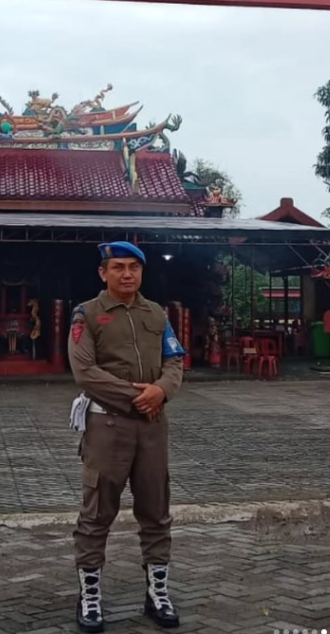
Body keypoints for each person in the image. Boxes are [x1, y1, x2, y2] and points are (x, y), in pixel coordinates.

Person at [68, 242, 185, 633]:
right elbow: (85, 372)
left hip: (152, 427)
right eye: (117, 267)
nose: (127, 274)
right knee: (97, 513)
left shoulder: (156, 314)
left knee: (156, 510)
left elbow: (174, 360)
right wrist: (140, 397)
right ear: (103, 273)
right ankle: (90, 597)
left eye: (134, 267)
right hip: (108, 427)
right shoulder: (87, 314)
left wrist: (162, 390)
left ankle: (157, 593)